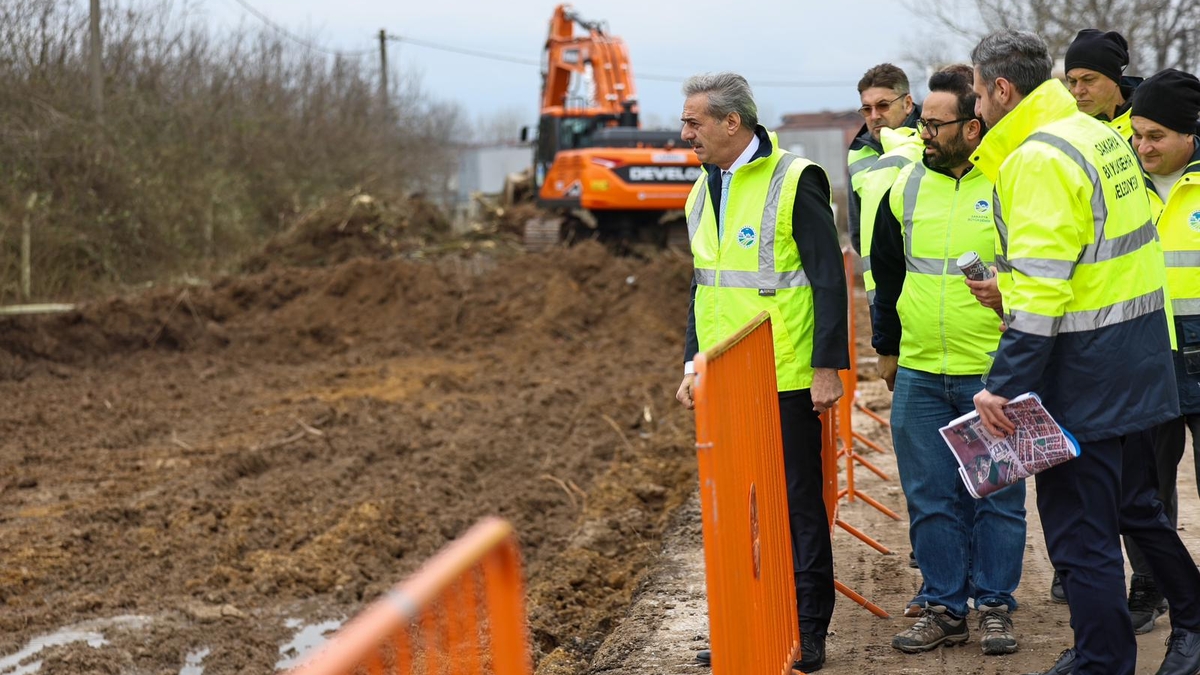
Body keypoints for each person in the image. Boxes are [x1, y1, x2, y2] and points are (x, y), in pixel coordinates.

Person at [968, 30, 1200, 675]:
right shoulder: (1095, 134)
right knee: (1134, 508)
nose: (977, 109)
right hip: (1135, 359)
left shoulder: (1038, 158)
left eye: (978, 95)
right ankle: (1189, 617)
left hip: (1085, 373)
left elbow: (1045, 288)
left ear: (1002, 89)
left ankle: (1102, 661)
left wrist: (1002, 385)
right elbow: (1092, 259)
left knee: (1080, 533)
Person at [674, 72, 848, 674]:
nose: (684, 132)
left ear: (732, 122)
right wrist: (693, 364)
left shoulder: (795, 179)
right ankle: (747, 625)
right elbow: (703, 287)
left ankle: (807, 627)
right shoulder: (701, 190)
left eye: (694, 121)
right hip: (726, 380)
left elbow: (828, 279)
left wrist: (827, 367)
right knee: (736, 510)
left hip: (786, 376)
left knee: (796, 506)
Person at [870, 64, 1027, 657]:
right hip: (919, 370)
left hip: (992, 370)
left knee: (997, 496)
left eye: (936, 125)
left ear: (973, 125)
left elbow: (1037, 271)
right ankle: (943, 606)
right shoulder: (906, 185)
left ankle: (994, 605)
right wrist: (887, 348)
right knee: (930, 497)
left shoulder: (1009, 181)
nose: (924, 133)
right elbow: (886, 274)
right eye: (922, 123)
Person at [1120, 68, 1200, 635]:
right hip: (1145, 357)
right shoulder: (1122, 187)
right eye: (1137, 134)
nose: (1143, 147)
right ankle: (1151, 583)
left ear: (1190, 133)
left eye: (1156, 136)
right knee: (1144, 490)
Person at [847, 64, 921, 254]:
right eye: (866, 109)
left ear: (907, 104)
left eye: (883, 105)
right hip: (877, 273)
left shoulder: (932, 139)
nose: (874, 116)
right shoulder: (858, 153)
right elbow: (858, 230)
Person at [1065, 29, 1142, 140]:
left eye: (1088, 80)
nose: (1078, 91)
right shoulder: (1064, 129)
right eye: (1073, 81)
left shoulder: (1151, 121)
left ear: (1116, 78)